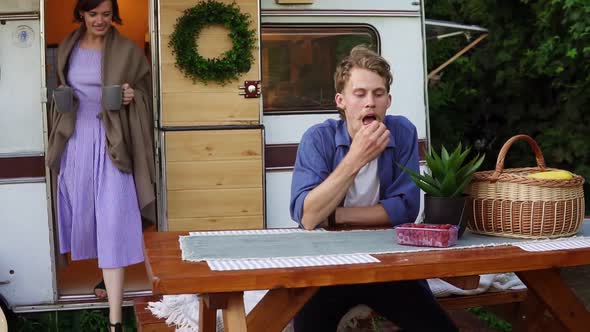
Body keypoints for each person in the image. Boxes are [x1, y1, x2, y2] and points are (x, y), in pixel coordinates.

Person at [290, 46, 458, 331]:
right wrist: (356, 157)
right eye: (360, 94)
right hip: (328, 264)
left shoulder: (402, 132)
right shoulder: (317, 138)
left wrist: (334, 217)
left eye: (378, 94)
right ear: (341, 101)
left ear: (388, 100)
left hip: (387, 263)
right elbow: (306, 215)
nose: (370, 102)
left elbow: (404, 209)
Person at [46, 1, 155, 331]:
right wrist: (62, 96)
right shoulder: (68, 46)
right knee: (87, 216)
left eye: (106, 14)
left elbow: (149, 90)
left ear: (114, 16)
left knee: (114, 219)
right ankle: (108, 283)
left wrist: (131, 95)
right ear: (82, 14)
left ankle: (115, 322)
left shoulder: (126, 50)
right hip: (76, 141)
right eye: (93, 14)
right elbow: (59, 88)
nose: (100, 20)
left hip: (113, 143)